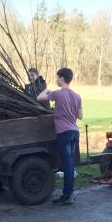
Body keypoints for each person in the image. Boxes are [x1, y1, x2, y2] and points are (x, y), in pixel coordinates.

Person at [37, 68, 83, 206]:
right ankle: (69, 194)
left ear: (62, 78)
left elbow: (39, 98)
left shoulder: (57, 94)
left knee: (67, 166)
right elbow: (80, 116)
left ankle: (67, 196)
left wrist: (47, 90)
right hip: (75, 132)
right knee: (69, 165)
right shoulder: (77, 95)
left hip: (64, 133)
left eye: (57, 78)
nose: (56, 80)